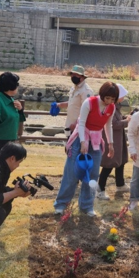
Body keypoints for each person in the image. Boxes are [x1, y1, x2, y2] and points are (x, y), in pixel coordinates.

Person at [54, 82, 118, 216]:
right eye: (107, 98)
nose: (109, 101)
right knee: (72, 173)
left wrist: (110, 144)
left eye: (113, 99)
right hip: (80, 137)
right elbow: (81, 123)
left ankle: (87, 205)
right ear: (102, 94)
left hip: (96, 141)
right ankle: (61, 204)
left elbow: (108, 126)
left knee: (93, 174)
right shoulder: (89, 102)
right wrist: (83, 142)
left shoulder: (111, 107)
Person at [97, 83, 129, 200]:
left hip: (117, 139)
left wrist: (125, 118)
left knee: (120, 161)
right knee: (109, 164)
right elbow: (114, 124)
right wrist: (127, 121)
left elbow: (116, 121)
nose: (124, 98)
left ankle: (120, 184)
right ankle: (100, 188)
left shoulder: (116, 106)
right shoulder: (111, 107)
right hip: (111, 139)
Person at [0, 72, 26, 156]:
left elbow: (18, 119)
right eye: (17, 84)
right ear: (11, 86)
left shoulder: (11, 100)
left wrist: (20, 110)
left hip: (11, 141)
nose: (18, 87)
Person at [57, 65, 93, 132]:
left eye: (76, 75)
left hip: (79, 127)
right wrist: (59, 105)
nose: (73, 77)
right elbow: (72, 103)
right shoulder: (74, 88)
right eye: (72, 74)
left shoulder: (86, 91)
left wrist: (76, 124)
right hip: (70, 125)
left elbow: (87, 111)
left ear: (82, 77)